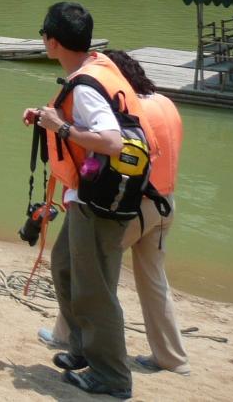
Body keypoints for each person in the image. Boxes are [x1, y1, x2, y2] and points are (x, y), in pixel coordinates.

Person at [40, 50, 189, 376]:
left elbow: (110, 152)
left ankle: (68, 338)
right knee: (154, 282)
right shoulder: (166, 103)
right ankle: (172, 358)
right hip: (166, 203)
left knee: (86, 269)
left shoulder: (128, 111)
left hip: (132, 203)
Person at [22, 2, 134, 399]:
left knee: (94, 289)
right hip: (89, 194)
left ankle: (112, 376)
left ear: (52, 41)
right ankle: (83, 348)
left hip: (101, 198)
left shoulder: (85, 85)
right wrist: (48, 119)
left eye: (44, 36)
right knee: (65, 266)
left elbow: (111, 140)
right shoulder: (97, 70)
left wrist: (62, 128)